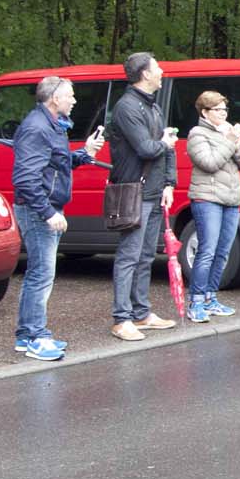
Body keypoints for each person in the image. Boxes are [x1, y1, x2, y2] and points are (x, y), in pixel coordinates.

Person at [10, 75, 107, 360]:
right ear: (54, 98)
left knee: (40, 274)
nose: (74, 100)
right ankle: (34, 337)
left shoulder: (54, 125)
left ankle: (28, 334)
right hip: (37, 210)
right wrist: (48, 212)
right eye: (70, 95)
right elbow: (25, 179)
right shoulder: (37, 128)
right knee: (41, 274)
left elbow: (57, 163)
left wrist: (85, 153)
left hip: (44, 207)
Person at [108, 52, 179, 341]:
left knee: (147, 255)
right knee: (129, 256)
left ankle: (141, 313)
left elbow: (167, 148)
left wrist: (169, 184)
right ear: (145, 74)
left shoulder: (153, 106)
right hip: (134, 192)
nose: (162, 71)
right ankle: (121, 318)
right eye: (157, 67)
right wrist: (165, 142)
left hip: (154, 191)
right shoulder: (127, 107)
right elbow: (147, 148)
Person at [185, 90, 240, 323]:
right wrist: (230, 140)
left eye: (225, 109)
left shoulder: (226, 133)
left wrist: (233, 140)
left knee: (223, 252)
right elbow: (209, 163)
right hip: (207, 199)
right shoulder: (197, 134)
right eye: (218, 109)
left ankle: (210, 298)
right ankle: (196, 302)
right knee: (207, 251)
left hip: (231, 200)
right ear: (205, 112)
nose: (224, 113)